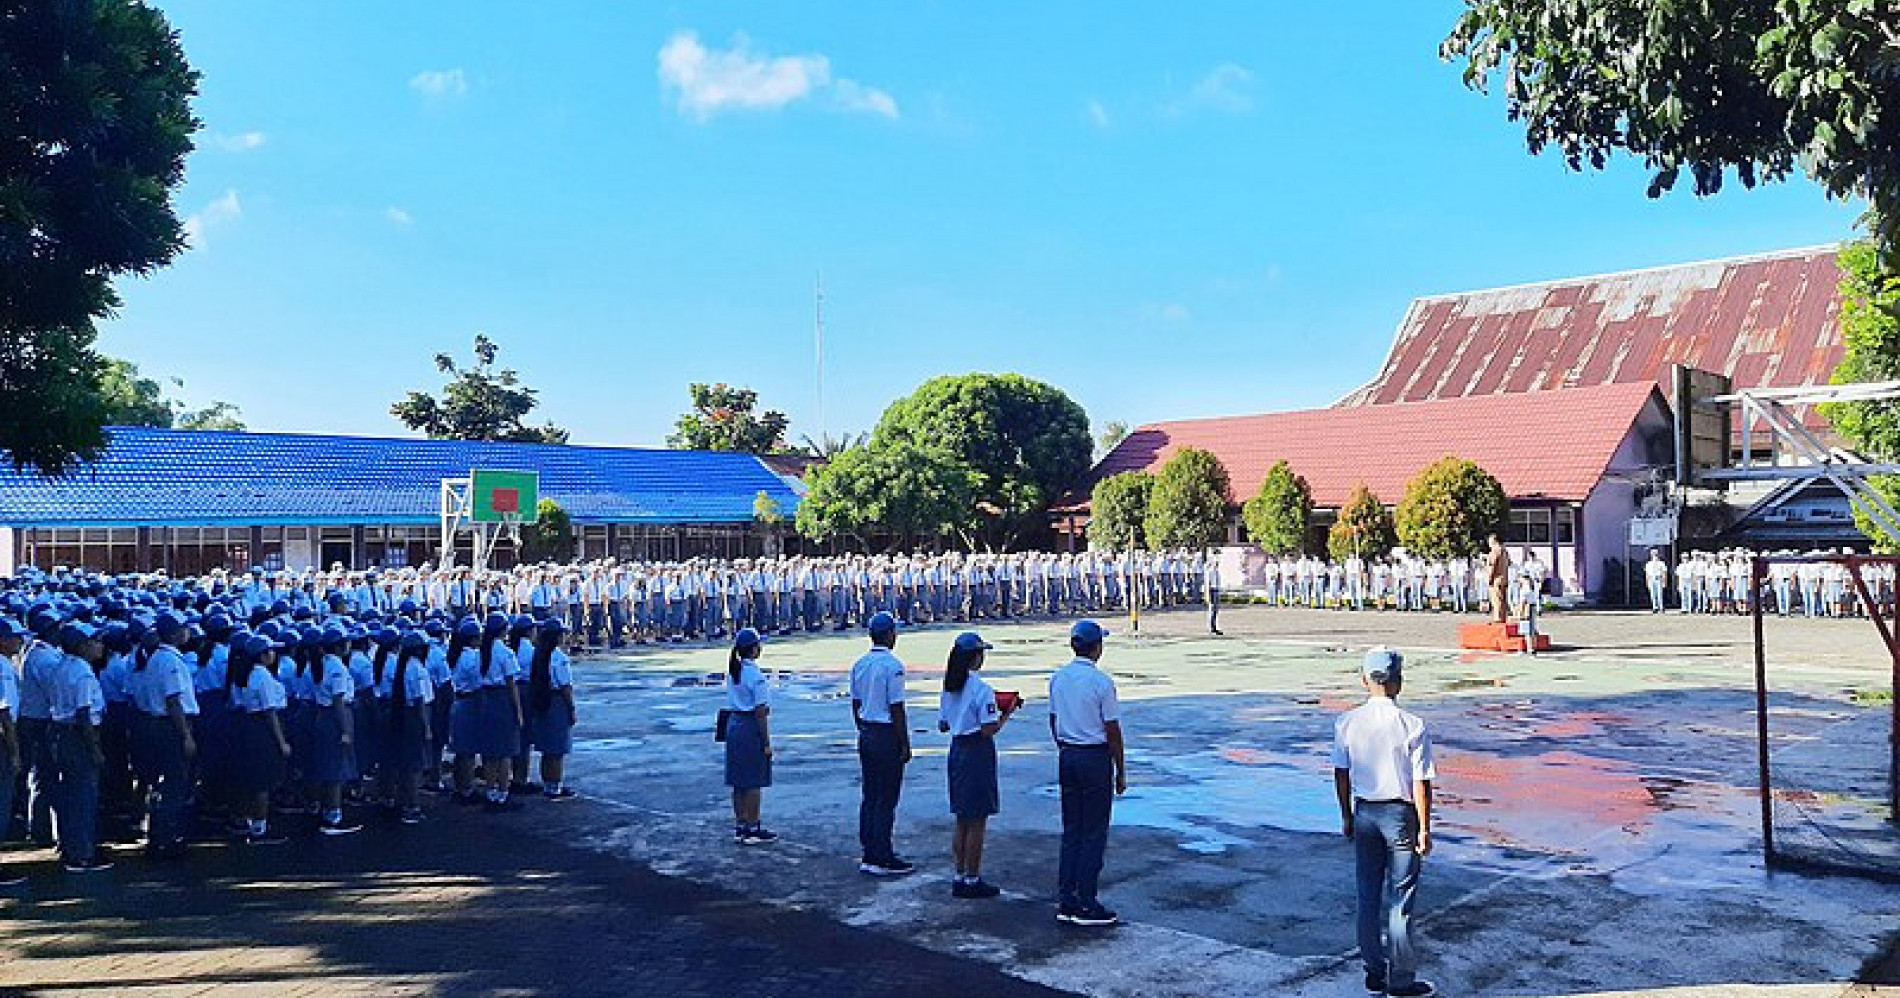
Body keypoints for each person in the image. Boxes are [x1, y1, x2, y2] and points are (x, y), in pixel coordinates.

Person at [1332, 647, 1437, 998]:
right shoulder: (1412, 724)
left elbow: (1341, 774)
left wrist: (1346, 814)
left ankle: (1374, 973)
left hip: (1365, 812)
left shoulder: (1347, 722)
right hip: (1400, 815)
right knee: (1400, 899)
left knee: (1367, 895)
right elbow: (1421, 782)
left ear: (1365, 680)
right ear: (1399, 682)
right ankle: (1401, 981)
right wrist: (1425, 827)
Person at [1048, 619, 1124, 927]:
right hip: (1093, 756)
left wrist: (1065, 746)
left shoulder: (1059, 678)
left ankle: (1067, 896)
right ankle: (1086, 899)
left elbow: (1053, 720)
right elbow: (1112, 730)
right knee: (1093, 831)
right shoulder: (1101, 683)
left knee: (1072, 829)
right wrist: (1120, 769)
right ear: (1097, 648)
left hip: (1068, 753)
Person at [938, 631, 1011, 898]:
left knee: (961, 819)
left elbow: (944, 724)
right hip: (977, 752)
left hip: (957, 750)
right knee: (977, 820)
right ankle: (973, 877)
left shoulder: (950, 686)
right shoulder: (981, 689)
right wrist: (1007, 714)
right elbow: (989, 729)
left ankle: (959, 873)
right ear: (976, 657)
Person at [128, 612, 198, 859]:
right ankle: (164, 839)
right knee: (172, 783)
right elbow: (173, 701)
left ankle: (158, 834)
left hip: (157, 725)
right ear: (175, 632)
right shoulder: (169, 661)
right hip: (169, 727)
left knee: (162, 782)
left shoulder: (159, 657)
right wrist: (186, 735)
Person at [849, 611, 914, 876]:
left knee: (871, 795)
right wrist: (904, 742)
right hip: (886, 733)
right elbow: (896, 708)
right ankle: (882, 855)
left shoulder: (859, 664)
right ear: (889, 635)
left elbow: (855, 703)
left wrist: (863, 728)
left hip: (867, 732)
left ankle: (869, 851)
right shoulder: (893, 666)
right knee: (887, 797)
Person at [49, 621, 112, 872]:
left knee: (71, 795)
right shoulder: (82, 672)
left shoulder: (62, 666)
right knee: (84, 796)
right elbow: (84, 713)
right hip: (78, 736)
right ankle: (82, 854)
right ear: (83, 646)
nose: (101, 646)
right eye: (95, 641)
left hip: (61, 733)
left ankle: (70, 846)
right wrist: (95, 748)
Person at [723, 628, 776, 844]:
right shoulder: (756, 676)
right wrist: (766, 742)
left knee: (738, 780)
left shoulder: (734, 671)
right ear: (754, 649)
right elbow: (760, 711)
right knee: (754, 779)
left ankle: (741, 824)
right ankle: (753, 826)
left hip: (734, 724)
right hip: (749, 726)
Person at [521, 618, 578, 800]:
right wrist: (571, 708)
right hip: (556, 700)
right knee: (557, 748)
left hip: (542, 699)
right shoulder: (558, 657)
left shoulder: (539, 653)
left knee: (547, 748)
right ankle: (555, 787)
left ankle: (549, 784)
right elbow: (565, 686)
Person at [1485, 534, 1511, 623]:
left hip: (1496, 579)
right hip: (1504, 579)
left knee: (1496, 600)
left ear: (1494, 541)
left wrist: (1489, 579)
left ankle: (1497, 619)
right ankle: (1503, 618)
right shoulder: (1505, 552)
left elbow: (1492, 567)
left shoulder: (1494, 552)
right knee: (1503, 600)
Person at [1644, 549, 1670, 613]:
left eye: (1655, 554)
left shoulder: (1661, 563)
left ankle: (1661, 607)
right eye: (1653, 554)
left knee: (1659, 594)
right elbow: (1647, 573)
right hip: (1651, 579)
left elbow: (1664, 573)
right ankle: (1654, 607)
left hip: (1659, 579)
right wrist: (1647, 582)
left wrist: (1664, 581)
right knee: (1653, 595)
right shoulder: (1648, 564)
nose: (1654, 555)